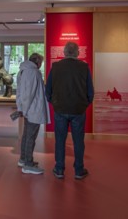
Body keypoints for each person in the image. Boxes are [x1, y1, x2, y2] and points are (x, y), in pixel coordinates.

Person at [45, 41, 94, 180]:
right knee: (78, 141)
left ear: (65, 52)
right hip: (78, 110)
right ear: (77, 52)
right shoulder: (84, 67)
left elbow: (48, 90)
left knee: (60, 140)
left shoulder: (56, 67)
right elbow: (90, 91)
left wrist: (54, 103)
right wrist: (85, 104)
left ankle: (59, 169)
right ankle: (79, 170)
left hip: (60, 109)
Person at [16, 53, 50, 175]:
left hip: (28, 110)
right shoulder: (33, 72)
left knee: (26, 135)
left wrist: (22, 108)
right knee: (30, 137)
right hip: (33, 110)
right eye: (41, 62)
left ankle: (23, 159)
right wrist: (24, 110)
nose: (41, 64)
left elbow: (21, 92)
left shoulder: (24, 71)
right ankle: (28, 165)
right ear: (37, 62)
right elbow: (28, 94)